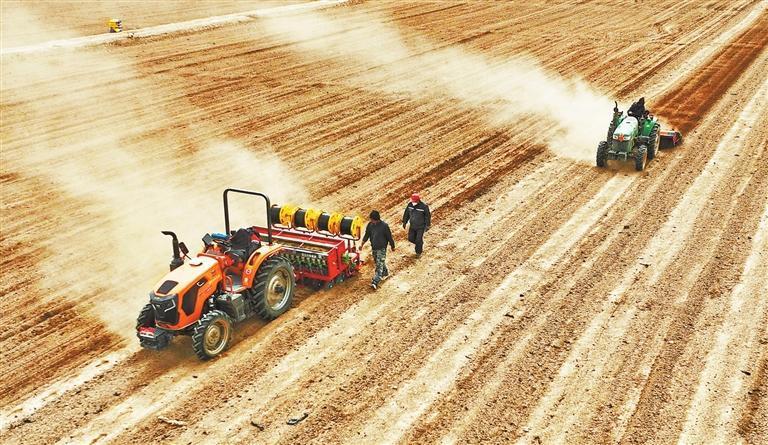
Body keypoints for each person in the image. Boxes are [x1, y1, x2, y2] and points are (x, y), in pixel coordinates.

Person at [360, 210, 395, 290]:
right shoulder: (370, 225)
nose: (371, 221)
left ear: (376, 219)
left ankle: (375, 282)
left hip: (382, 248)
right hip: (374, 248)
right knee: (378, 262)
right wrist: (362, 244)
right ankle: (385, 272)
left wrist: (392, 246)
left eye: (372, 219)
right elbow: (367, 235)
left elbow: (389, 237)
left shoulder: (384, 226)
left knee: (379, 265)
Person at [402, 193, 431, 257]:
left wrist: (428, 225)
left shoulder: (424, 206)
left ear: (418, 200)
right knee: (410, 238)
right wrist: (404, 222)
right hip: (412, 226)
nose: (413, 202)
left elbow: (427, 216)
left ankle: (418, 252)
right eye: (412, 200)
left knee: (418, 240)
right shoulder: (410, 205)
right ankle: (419, 244)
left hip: (420, 227)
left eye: (414, 201)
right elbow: (406, 214)